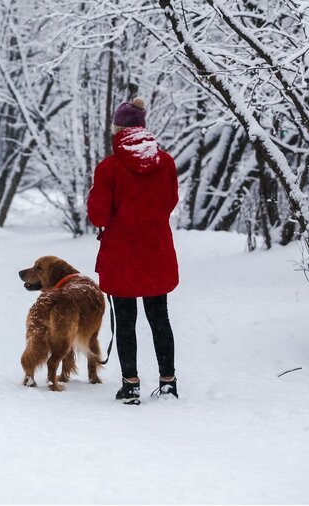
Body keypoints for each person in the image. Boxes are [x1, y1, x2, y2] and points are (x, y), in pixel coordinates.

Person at [87, 97, 180, 405]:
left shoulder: (109, 168)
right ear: (143, 127)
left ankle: (131, 385)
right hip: (156, 252)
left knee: (125, 320)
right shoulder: (165, 162)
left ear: (118, 128)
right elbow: (169, 203)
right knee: (159, 317)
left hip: (122, 256)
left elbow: (98, 216)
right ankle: (168, 383)